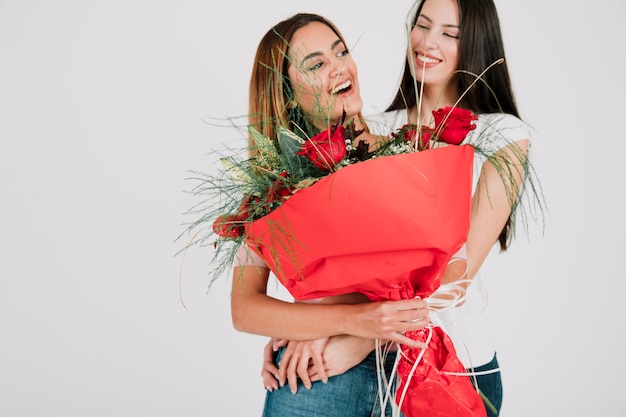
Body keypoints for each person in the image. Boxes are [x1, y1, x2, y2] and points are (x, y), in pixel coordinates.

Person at [231, 13, 430, 417]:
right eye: (317, 64)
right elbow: (244, 308)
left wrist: (322, 322)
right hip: (316, 384)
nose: (340, 66)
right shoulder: (274, 186)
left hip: (414, 376)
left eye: (341, 51)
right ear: (287, 95)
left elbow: (444, 272)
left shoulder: (406, 152)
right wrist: (353, 320)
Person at [364, 0, 537, 414]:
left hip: (457, 366)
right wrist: (301, 331)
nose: (427, 42)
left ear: (475, 43)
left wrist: (343, 339)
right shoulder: (371, 130)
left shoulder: (503, 134)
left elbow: (457, 277)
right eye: (422, 25)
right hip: (372, 367)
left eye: (450, 33)